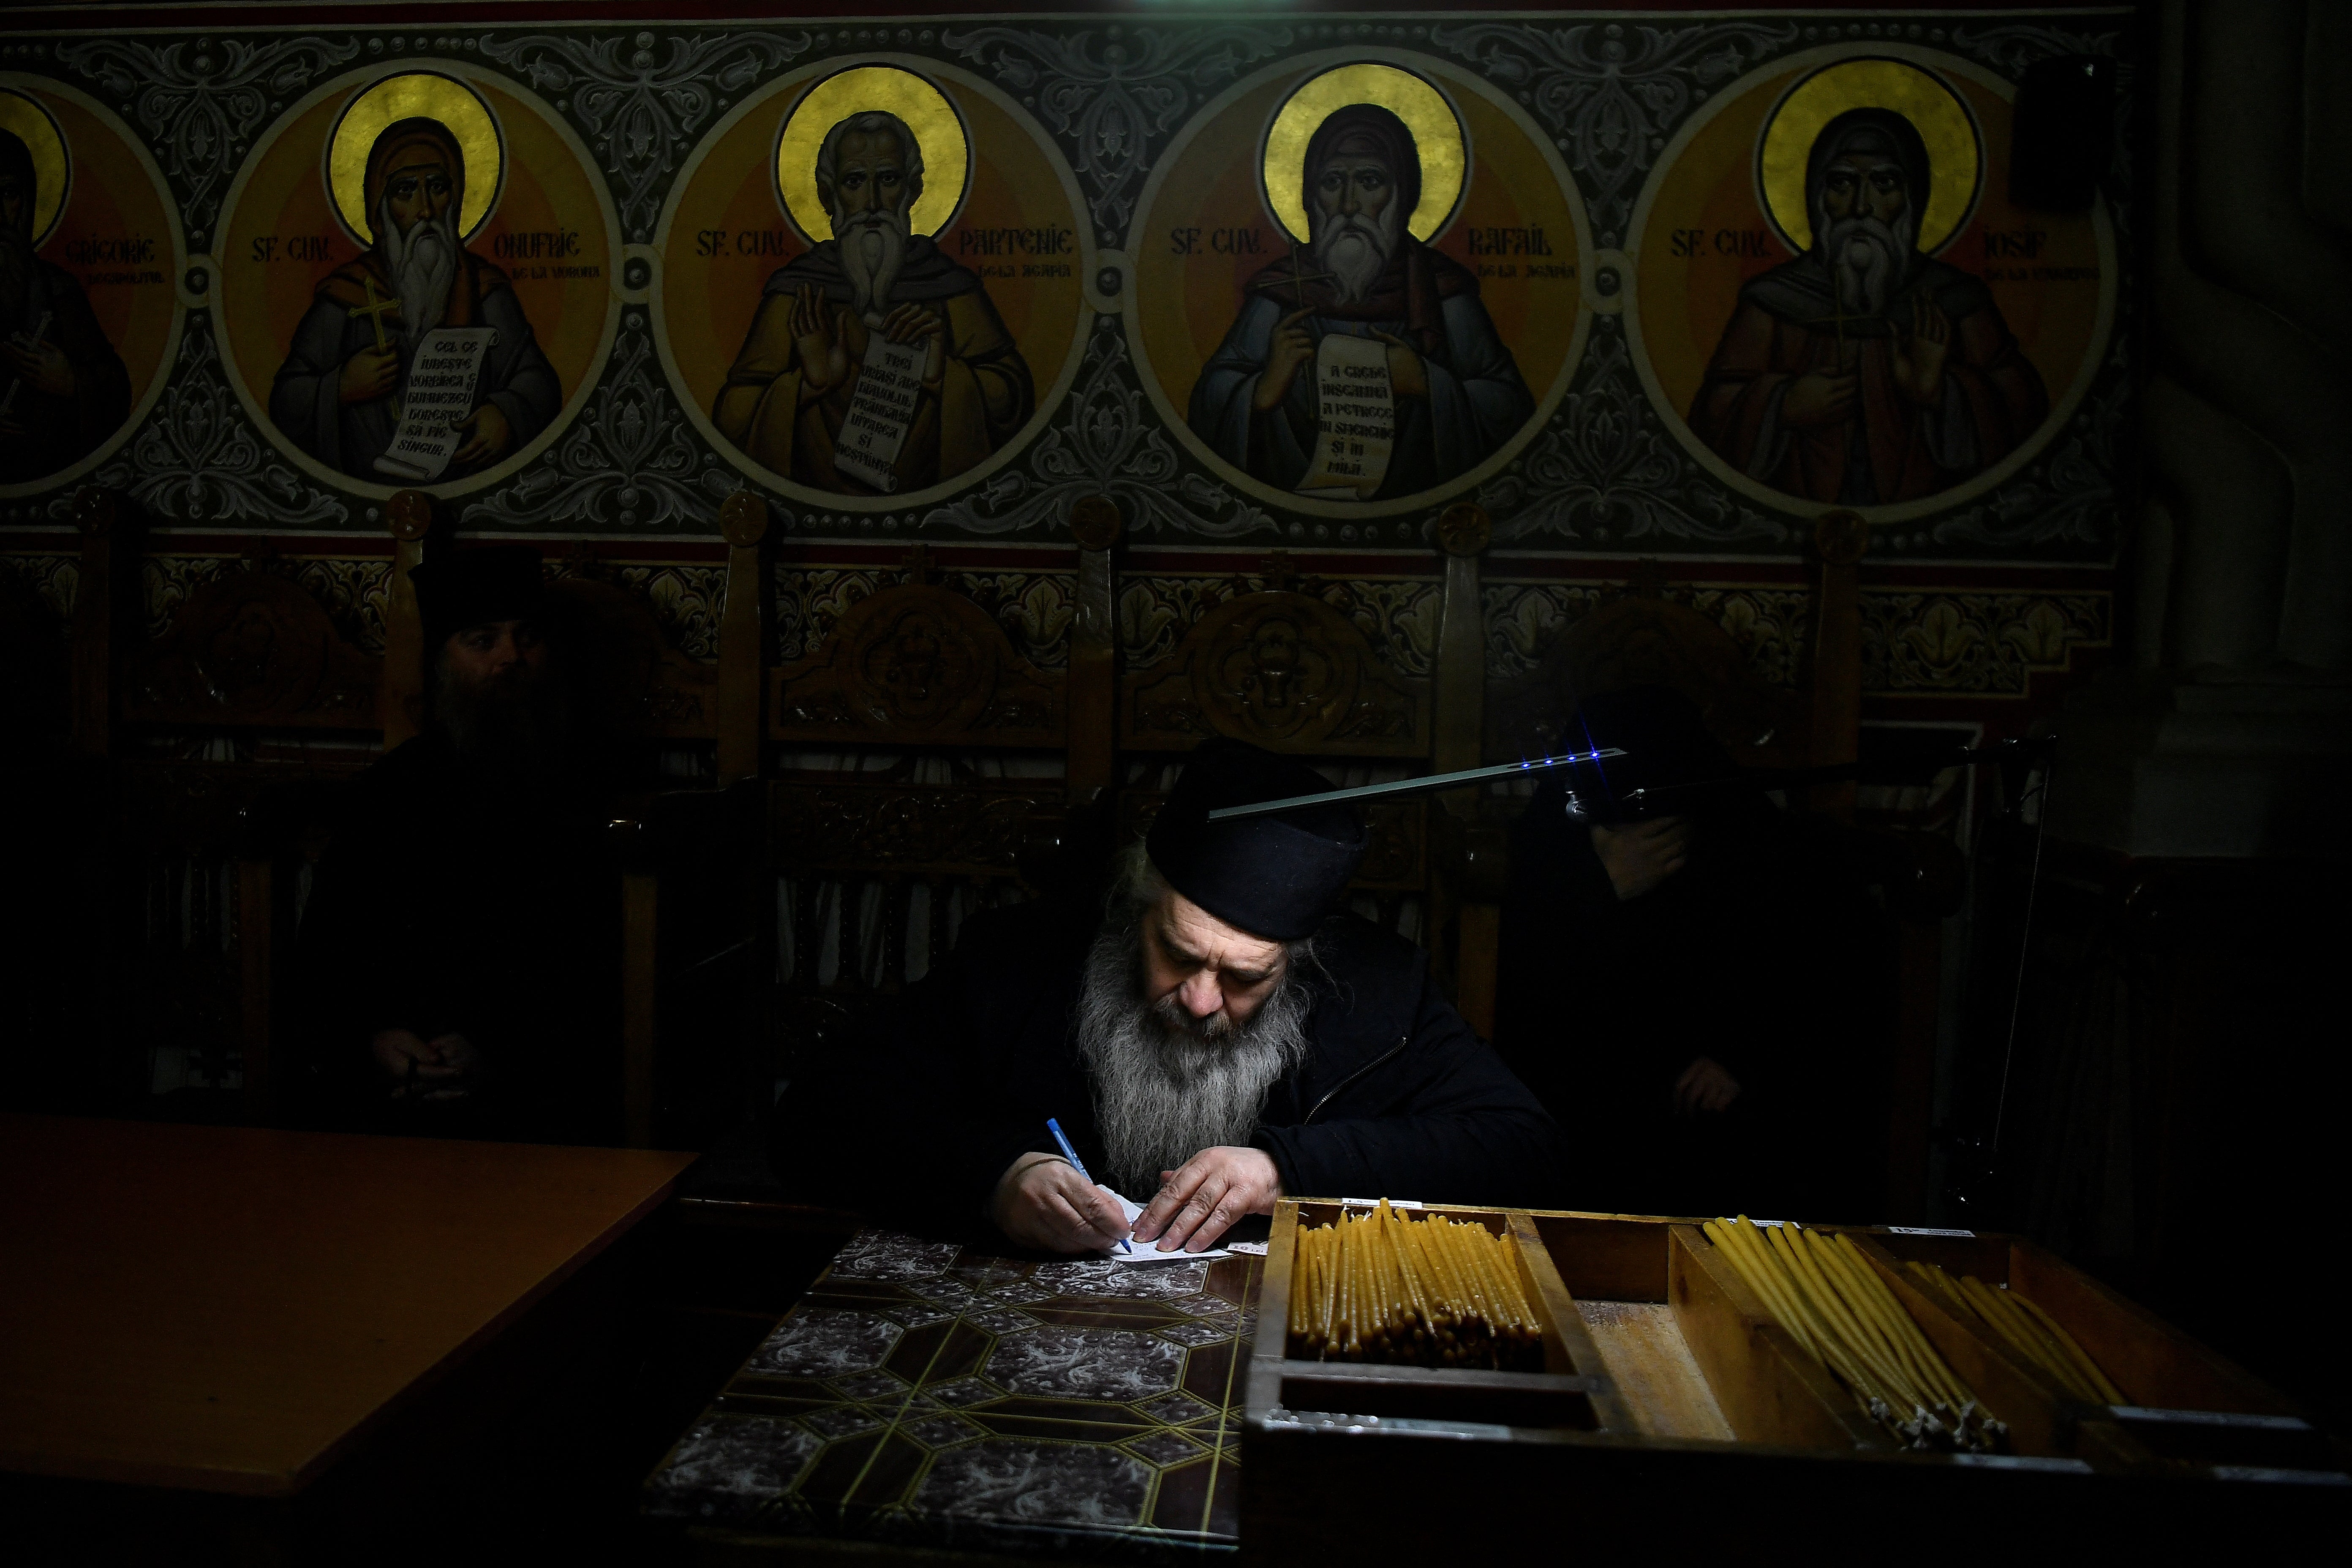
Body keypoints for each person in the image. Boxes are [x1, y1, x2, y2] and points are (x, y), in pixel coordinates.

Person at [780, 738, 1563, 1254]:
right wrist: (991, 1175)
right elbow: (827, 1104)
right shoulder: (1017, 957)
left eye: (1244, 978)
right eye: (1178, 953)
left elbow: (1521, 1146)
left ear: (1298, 961)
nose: (1197, 1000)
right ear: (1137, 902)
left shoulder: (1379, 989)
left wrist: (1287, 1167)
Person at [1492, 686, 1886, 1220]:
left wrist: (1741, 1057)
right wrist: (1600, 886)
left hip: (1720, 1109)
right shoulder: (1555, 830)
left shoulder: (1747, 834)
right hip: (1591, 1098)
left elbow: (1820, 970)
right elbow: (1526, 991)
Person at [294, 545, 621, 1143]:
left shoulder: (595, 790)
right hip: (395, 1083)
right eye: (483, 640)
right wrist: (375, 1037)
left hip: (541, 1087)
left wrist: (498, 1050)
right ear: (443, 661)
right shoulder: (396, 787)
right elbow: (333, 945)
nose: (511, 659)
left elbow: (598, 967)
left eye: (527, 637)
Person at [1689, 107, 2047, 505]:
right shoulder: (1773, 300)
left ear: (1915, 197)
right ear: (1816, 195)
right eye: (1841, 183)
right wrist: (1783, 405)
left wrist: (1940, 392)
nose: (1862, 206)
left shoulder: (1955, 299)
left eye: (1885, 183)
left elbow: (2024, 411)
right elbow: (1712, 417)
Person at [1188, 103, 1533, 499]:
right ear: (1309, 197)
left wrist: (1427, 384)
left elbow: (1510, 410)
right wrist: (1261, 391)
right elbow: (1207, 405)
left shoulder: (1442, 292)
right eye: (1332, 182)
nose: (1349, 205)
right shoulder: (1281, 290)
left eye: (1371, 181)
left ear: (1403, 194)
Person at [715, 109, 1033, 493]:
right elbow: (732, 417)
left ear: (913, 190)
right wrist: (809, 385)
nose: (871, 202)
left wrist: (941, 376)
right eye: (854, 182)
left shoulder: (948, 286)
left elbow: (1014, 402)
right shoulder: (798, 293)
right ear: (828, 195)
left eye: (888, 179)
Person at [270, 117, 562, 482]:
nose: (425, 210)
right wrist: (341, 386)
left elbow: (538, 381)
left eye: (437, 188)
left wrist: (506, 413)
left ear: (454, 200)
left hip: (466, 482)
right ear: (380, 211)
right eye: (405, 192)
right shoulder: (347, 296)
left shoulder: (485, 291)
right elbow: (285, 399)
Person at [0, 128, 132, 482]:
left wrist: (71, 381)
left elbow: (116, 388)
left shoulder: (57, 289)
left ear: (25, 202)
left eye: (8, 193)